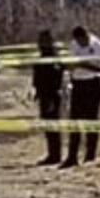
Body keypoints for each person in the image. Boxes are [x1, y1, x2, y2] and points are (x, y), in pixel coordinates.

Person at [62, 24, 100, 166]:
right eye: (78, 41)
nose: (80, 43)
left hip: (93, 84)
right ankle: (72, 156)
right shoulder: (74, 45)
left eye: (82, 40)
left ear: (87, 36)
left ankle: (90, 155)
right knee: (75, 120)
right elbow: (72, 64)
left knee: (91, 120)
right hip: (78, 84)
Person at [29, 28, 66, 166]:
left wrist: (51, 94)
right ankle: (52, 153)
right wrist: (36, 90)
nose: (39, 43)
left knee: (52, 125)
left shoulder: (53, 56)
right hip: (44, 94)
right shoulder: (42, 56)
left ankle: (55, 155)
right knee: (48, 125)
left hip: (51, 94)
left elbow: (56, 76)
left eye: (42, 40)